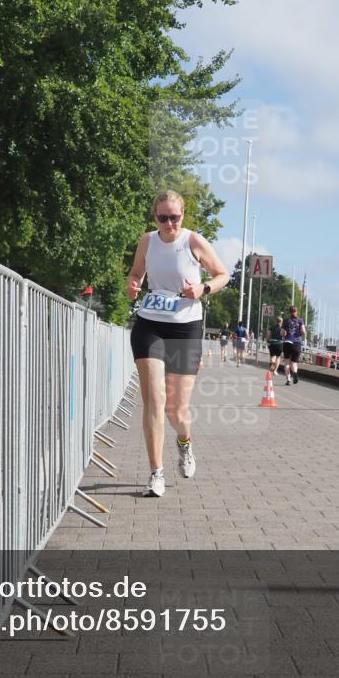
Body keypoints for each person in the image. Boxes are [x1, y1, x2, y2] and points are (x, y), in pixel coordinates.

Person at [126, 190, 229, 497]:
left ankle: (185, 442)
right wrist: (133, 285)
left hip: (185, 328)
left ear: (183, 216)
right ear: (154, 217)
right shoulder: (147, 241)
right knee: (154, 402)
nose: (169, 224)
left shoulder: (193, 241)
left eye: (175, 217)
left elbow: (223, 274)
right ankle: (156, 473)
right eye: (163, 218)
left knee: (175, 410)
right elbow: (136, 274)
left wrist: (203, 287)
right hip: (150, 325)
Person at [281, 305, 306, 385]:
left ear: (290, 312)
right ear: (296, 311)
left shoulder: (285, 321)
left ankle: (288, 379)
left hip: (287, 343)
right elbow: (303, 331)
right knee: (294, 363)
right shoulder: (300, 320)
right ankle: (294, 373)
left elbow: (282, 333)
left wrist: (284, 334)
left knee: (287, 363)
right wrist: (302, 335)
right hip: (297, 343)